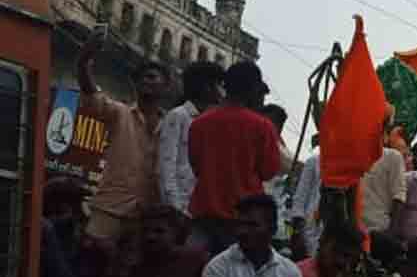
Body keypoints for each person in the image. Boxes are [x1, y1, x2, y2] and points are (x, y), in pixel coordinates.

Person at [76, 37, 168, 241]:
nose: (146, 80)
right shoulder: (120, 113)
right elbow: (92, 95)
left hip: (148, 221)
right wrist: (84, 61)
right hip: (108, 210)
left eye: (152, 77)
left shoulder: (172, 127)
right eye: (142, 78)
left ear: (166, 86)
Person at [188, 62, 281, 254]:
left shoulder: (200, 122)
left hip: (202, 218)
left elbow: (196, 167)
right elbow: (269, 171)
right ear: (253, 89)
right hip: (243, 224)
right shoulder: (263, 127)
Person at [195, 194, 311, 277]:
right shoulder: (217, 267)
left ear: (272, 229)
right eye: (240, 224)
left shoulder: (289, 271)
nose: (243, 231)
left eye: (252, 225)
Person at [158, 60, 224, 217]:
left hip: (199, 210)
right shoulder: (178, 116)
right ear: (207, 87)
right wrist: (175, 209)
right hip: (178, 209)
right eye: (219, 85)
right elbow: (166, 167)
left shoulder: (212, 122)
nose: (222, 92)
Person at [360, 120, 409, 235]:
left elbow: (399, 197)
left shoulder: (392, 157)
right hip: (355, 232)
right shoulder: (352, 157)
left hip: (380, 229)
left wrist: (391, 233)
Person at [259, 103, 296, 248]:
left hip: (278, 203)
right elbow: (292, 165)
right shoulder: (269, 142)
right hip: (265, 198)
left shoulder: (278, 143)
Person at [288, 135, 321, 260]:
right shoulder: (313, 162)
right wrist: (297, 233)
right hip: (310, 230)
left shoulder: (349, 166)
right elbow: (300, 198)